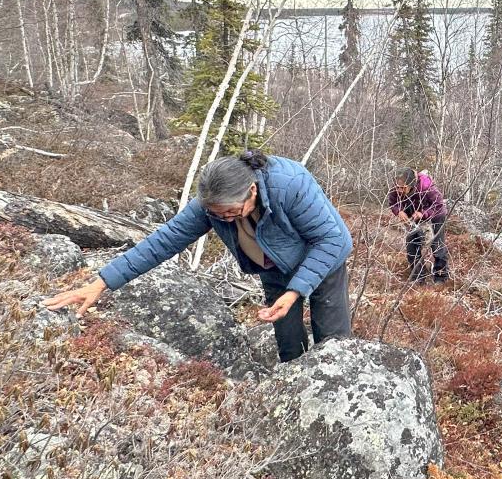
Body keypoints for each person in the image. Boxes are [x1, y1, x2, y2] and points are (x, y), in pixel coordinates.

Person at [41, 149, 353, 363]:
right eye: (219, 216)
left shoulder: (291, 184)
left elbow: (335, 239)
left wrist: (297, 290)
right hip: (274, 272)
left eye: (232, 213)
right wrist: (102, 283)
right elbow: (163, 241)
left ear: (252, 192)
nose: (226, 220)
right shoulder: (211, 205)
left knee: (333, 342)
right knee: (288, 343)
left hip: (322, 264)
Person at [385, 167, 449, 284]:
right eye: (397, 187)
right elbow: (392, 203)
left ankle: (441, 278)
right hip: (414, 216)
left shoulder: (426, 186)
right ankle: (418, 277)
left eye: (402, 188)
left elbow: (439, 206)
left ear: (411, 185)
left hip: (435, 216)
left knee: (437, 246)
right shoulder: (395, 187)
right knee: (412, 245)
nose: (399, 190)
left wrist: (423, 213)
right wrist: (398, 211)